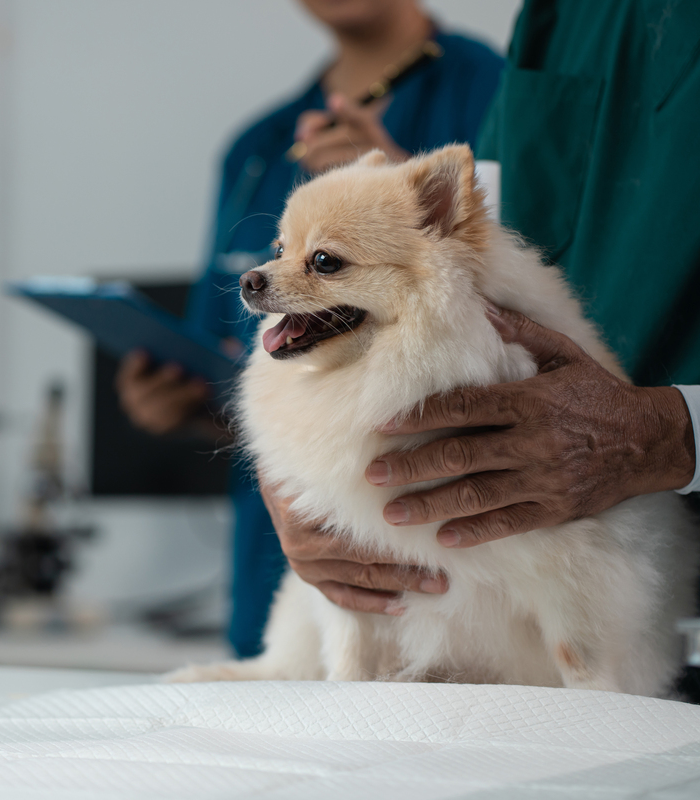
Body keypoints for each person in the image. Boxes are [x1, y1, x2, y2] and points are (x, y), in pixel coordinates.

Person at [259, 0, 700, 703]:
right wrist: (304, 471)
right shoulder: (557, 17)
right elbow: (473, 247)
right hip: (511, 652)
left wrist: (675, 436)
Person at [115, 0, 504, 658]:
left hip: (449, 579)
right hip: (275, 576)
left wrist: (394, 197)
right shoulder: (256, 148)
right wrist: (184, 403)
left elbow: (531, 319)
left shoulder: (498, 98)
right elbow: (245, 369)